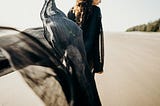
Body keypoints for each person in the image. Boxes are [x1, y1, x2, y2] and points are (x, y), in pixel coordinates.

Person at [67, 0, 104, 75]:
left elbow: (67, 38)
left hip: (71, 59)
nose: (100, 1)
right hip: (87, 59)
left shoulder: (71, 11)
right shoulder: (95, 11)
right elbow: (95, 39)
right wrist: (97, 66)